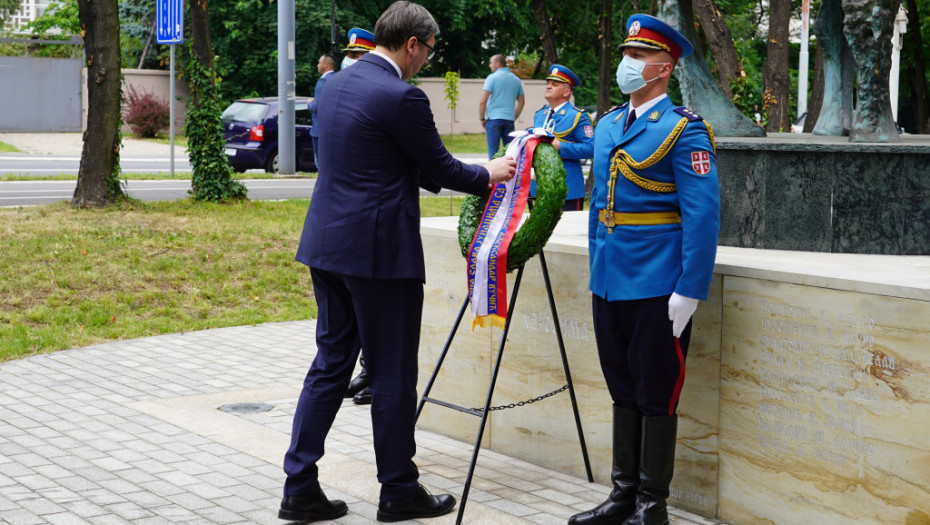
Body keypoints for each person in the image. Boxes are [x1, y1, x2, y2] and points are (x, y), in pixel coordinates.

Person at [279, 2, 517, 523]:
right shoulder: (401, 96)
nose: (426, 62)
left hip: (327, 245)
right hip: (380, 255)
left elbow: (379, 157)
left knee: (329, 366)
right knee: (391, 375)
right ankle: (398, 491)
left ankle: (299, 487)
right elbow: (439, 166)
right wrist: (492, 171)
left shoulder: (335, 84)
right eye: (428, 51)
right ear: (412, 43)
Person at [570, 14, 719, 525]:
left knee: (656, 392)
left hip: (659, 284)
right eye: (626, 55)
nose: (626, 64)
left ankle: (652, 504)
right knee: (622, 387)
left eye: (637, 57)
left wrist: (689, 288)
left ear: (663, 68)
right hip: (610, 281)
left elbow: (702, 215)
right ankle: (621, 494)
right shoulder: (610, 123)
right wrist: (596, 269)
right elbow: (598, 207)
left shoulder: (685, 130)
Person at [532, 64, 594, 211]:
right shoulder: (539, 115)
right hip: (541, 186)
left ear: (567, 92)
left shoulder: (578, 115)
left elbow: (591, 148)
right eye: (548, 83)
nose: (548, 86)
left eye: (554, 84)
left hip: (568, 188)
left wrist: (561, 147)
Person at [479, 54, 525, 158]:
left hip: (493, 120)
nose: (490, 65)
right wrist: (513, 117)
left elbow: (483, 101)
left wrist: (482, 118)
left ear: (498, 64)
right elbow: (522, 102)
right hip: (509, 121)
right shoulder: (516, 80)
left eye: (491, 63)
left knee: (493, 155)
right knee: (509, 155)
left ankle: (494, 175)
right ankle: (509, 175)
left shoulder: (492, 78)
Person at [308, 54, 335, 170]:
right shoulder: (337, 78)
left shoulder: (322, 81)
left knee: (320, 164)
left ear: (326, 64)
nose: (317, 65)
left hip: (319, 130)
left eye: (319, 62)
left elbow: (316, 107)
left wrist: (309, 103)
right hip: (333, 128)